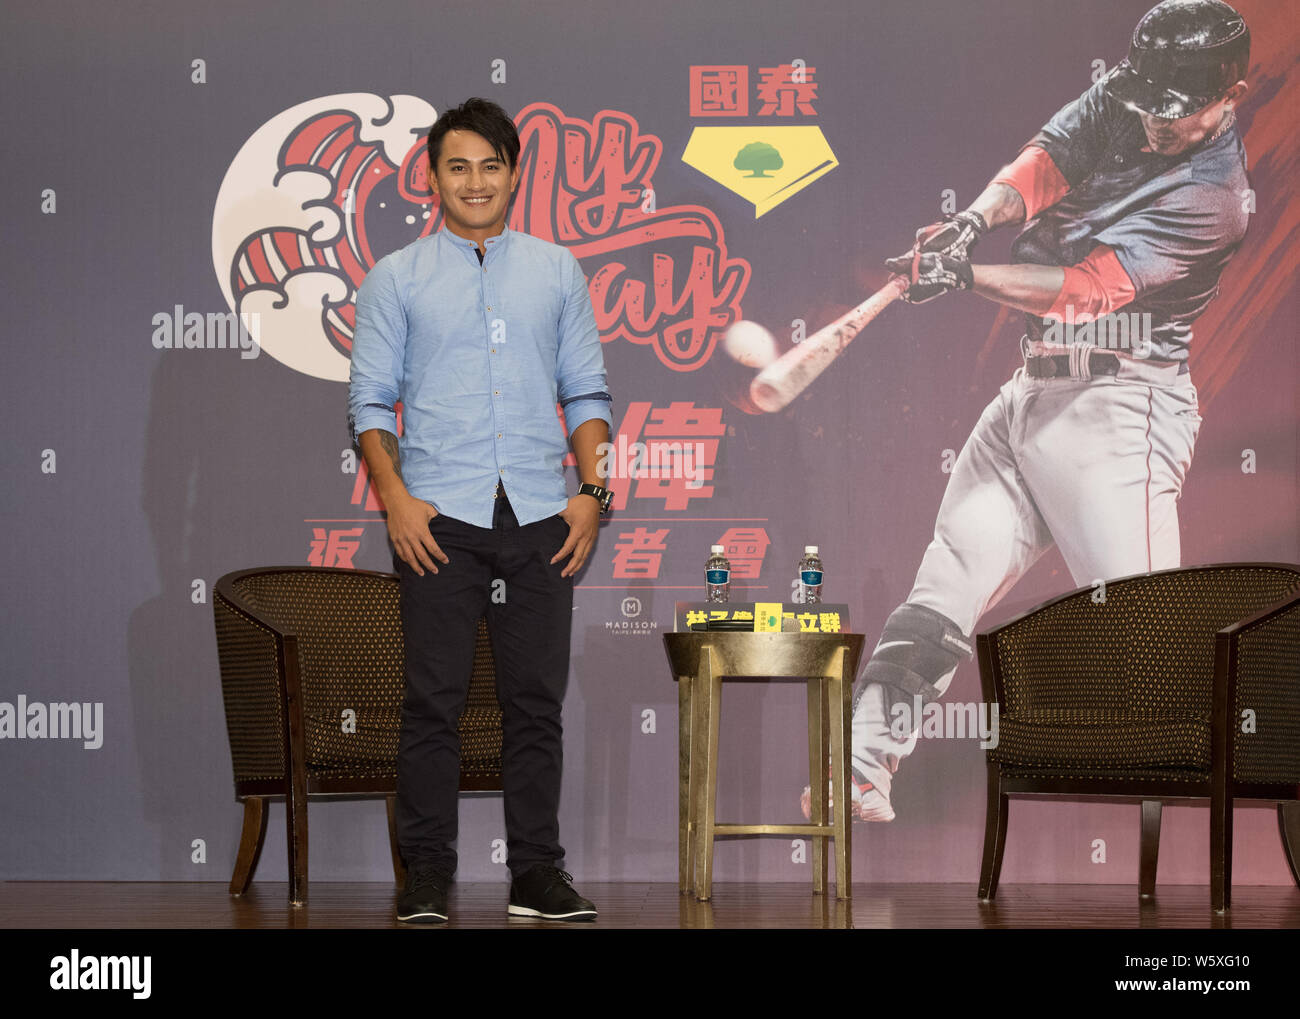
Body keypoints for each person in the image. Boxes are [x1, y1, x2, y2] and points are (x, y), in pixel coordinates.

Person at [807, 0, 1253, 823]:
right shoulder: (1130, 93)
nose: (1155, 119)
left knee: (1150, 648)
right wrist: (969, 225)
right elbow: (1050, 159)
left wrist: (966, 276)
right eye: (1148, 99)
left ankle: (1236, 801)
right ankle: (860, 761)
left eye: (1176, 108)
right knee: (947, 578)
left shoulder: (1216, 197)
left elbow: (1086, 293)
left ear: (1229, 96)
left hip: (1123, 403)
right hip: (1031, 393)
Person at [348, 98, 615, 920]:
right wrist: (395, 502)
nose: (474, 181)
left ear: (514, 173)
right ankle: (425, 872)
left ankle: (538, 871)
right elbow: (369, 404)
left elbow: (588, 393)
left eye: (490, 165)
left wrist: (593, 494)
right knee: (434, 699)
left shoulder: (556, 269)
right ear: (432, 176)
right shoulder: (396, 276)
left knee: (536, 700)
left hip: (542, 511)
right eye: (457, 166)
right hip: (437, 515)